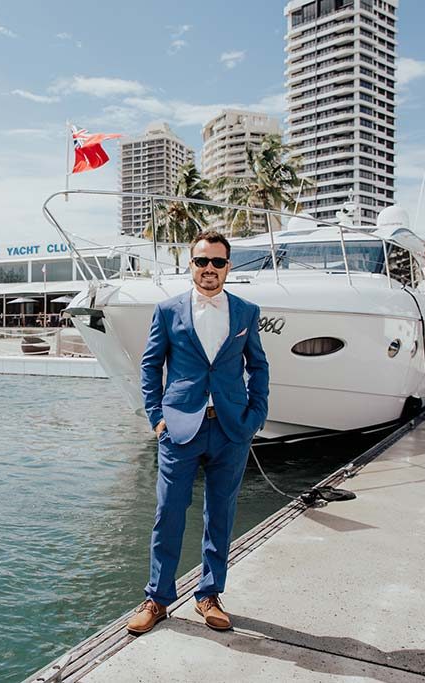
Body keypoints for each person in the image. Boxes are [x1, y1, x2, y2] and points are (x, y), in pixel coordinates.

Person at [126, 230, 269, 635]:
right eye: (202, 261)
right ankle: (157, 599)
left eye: (218, 262)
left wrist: (256, 414)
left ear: (228, 267)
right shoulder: (168, 311)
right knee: (168, 513)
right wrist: (157, 417)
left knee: (220, 515)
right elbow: (151, 366)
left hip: (230, 428)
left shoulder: (245, 311)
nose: (210, 269)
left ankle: (209, 595)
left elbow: (258, 365)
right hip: (179, 427)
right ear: (190, 265)